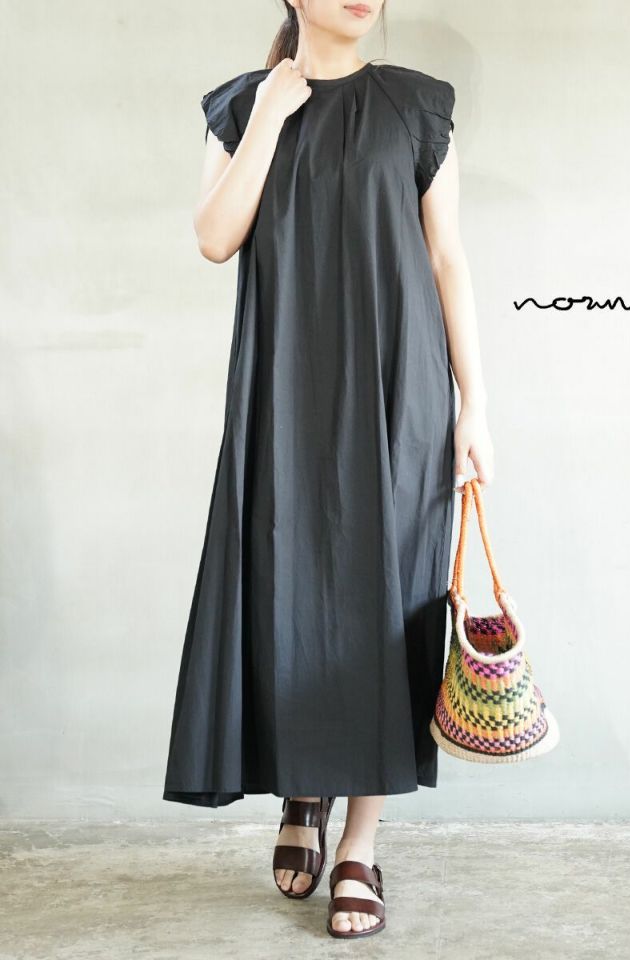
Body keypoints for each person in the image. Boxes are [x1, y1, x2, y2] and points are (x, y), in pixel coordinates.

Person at [162, 0, 493, 940]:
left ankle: (359, 844)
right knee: (290, 597)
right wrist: (273, 110)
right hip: (287, 388)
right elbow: (214, 236)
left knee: (385, 608)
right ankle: (300, 793)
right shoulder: (241, 105)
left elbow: (447, 259)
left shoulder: (417, 107)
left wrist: (475, 406)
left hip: (399, 391)